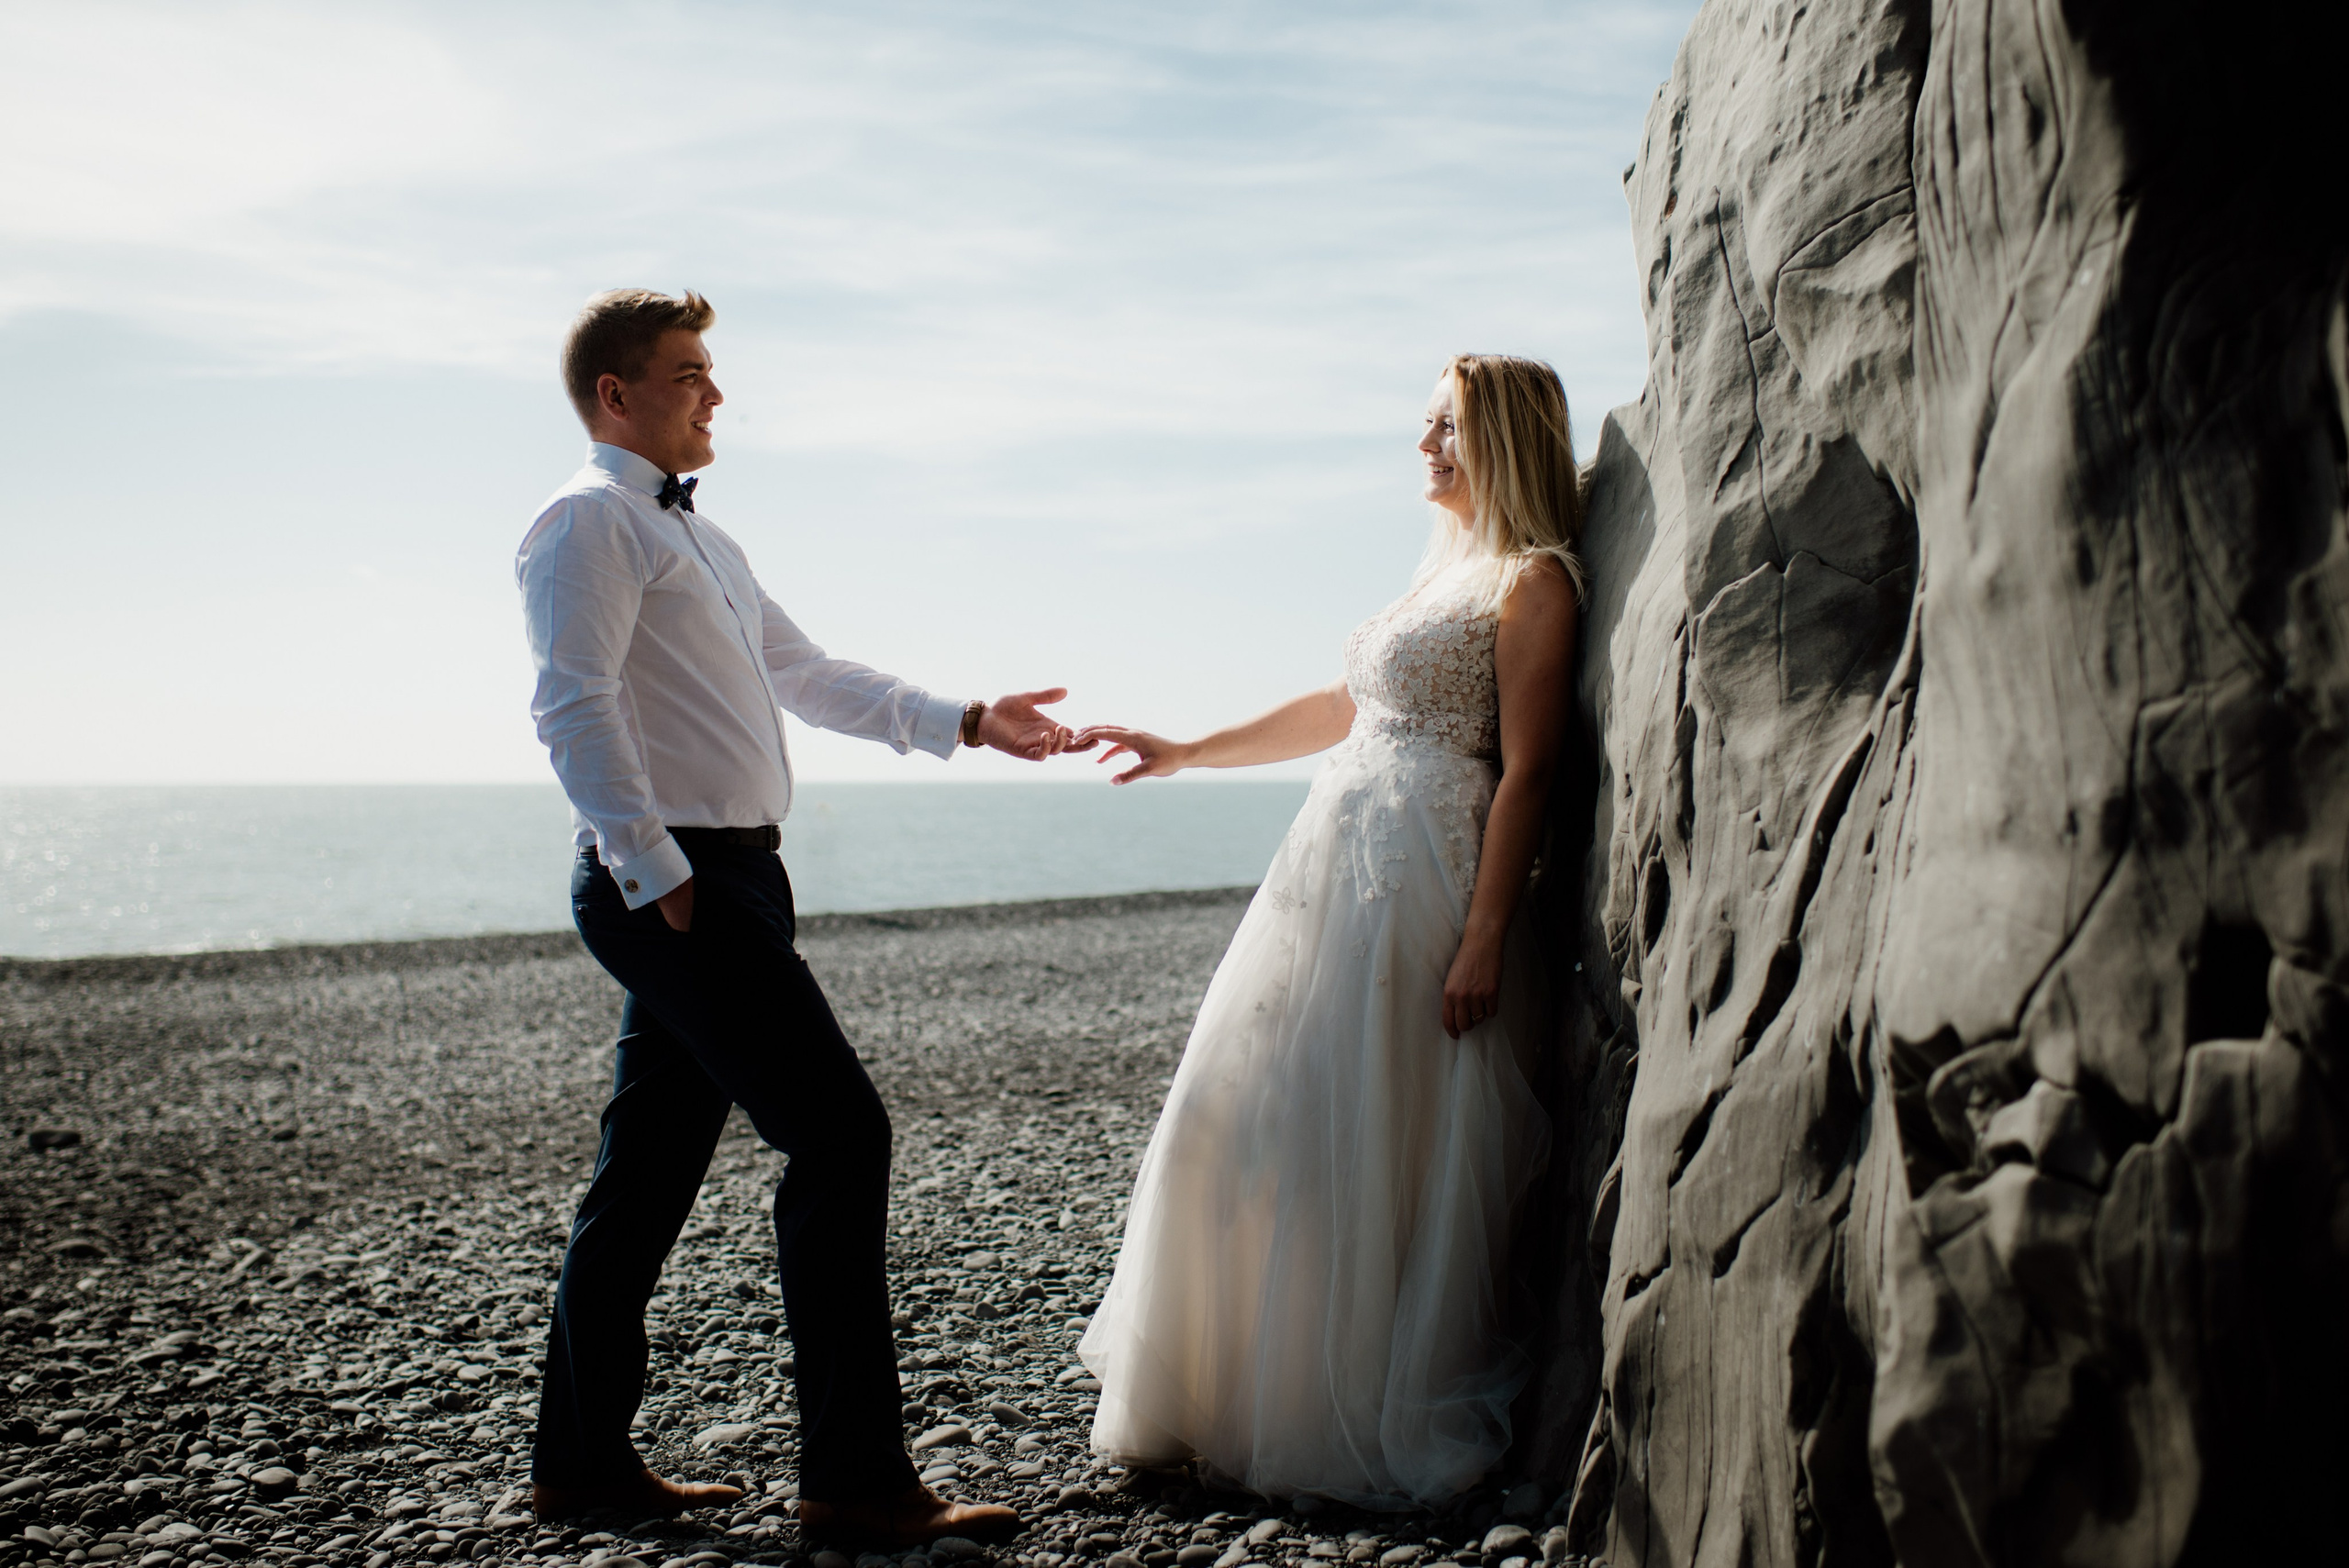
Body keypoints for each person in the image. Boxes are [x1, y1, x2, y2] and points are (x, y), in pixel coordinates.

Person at [517, 288, 1074, 1543]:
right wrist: (658, 876)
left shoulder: (704, 541)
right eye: (688, 373)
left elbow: (806, 675)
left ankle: (582, 1463)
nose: (715, 394)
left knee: (646, 1173)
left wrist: (966, 718)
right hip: (676, 882)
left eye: (712, 372)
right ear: (618, 394)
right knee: (840, 1134)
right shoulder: (585, 523)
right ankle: (856, 1483)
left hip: (734, 879)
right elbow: (572, 707)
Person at [1070, 355, 1581, 1507]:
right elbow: (1346, 707)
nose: (1425, 446)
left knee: (1377, 1127)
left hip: (1425, 882)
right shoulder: (1438, 576)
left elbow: (1531, 771)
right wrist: (1187, 747)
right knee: (1267, 1116)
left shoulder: (1532, 580)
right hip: (1330, 870)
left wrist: (1486, 933)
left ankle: (1351, 1409)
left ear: (1501, 436)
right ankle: (1236, 1388)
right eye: (1426, 425)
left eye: (1447, 426)